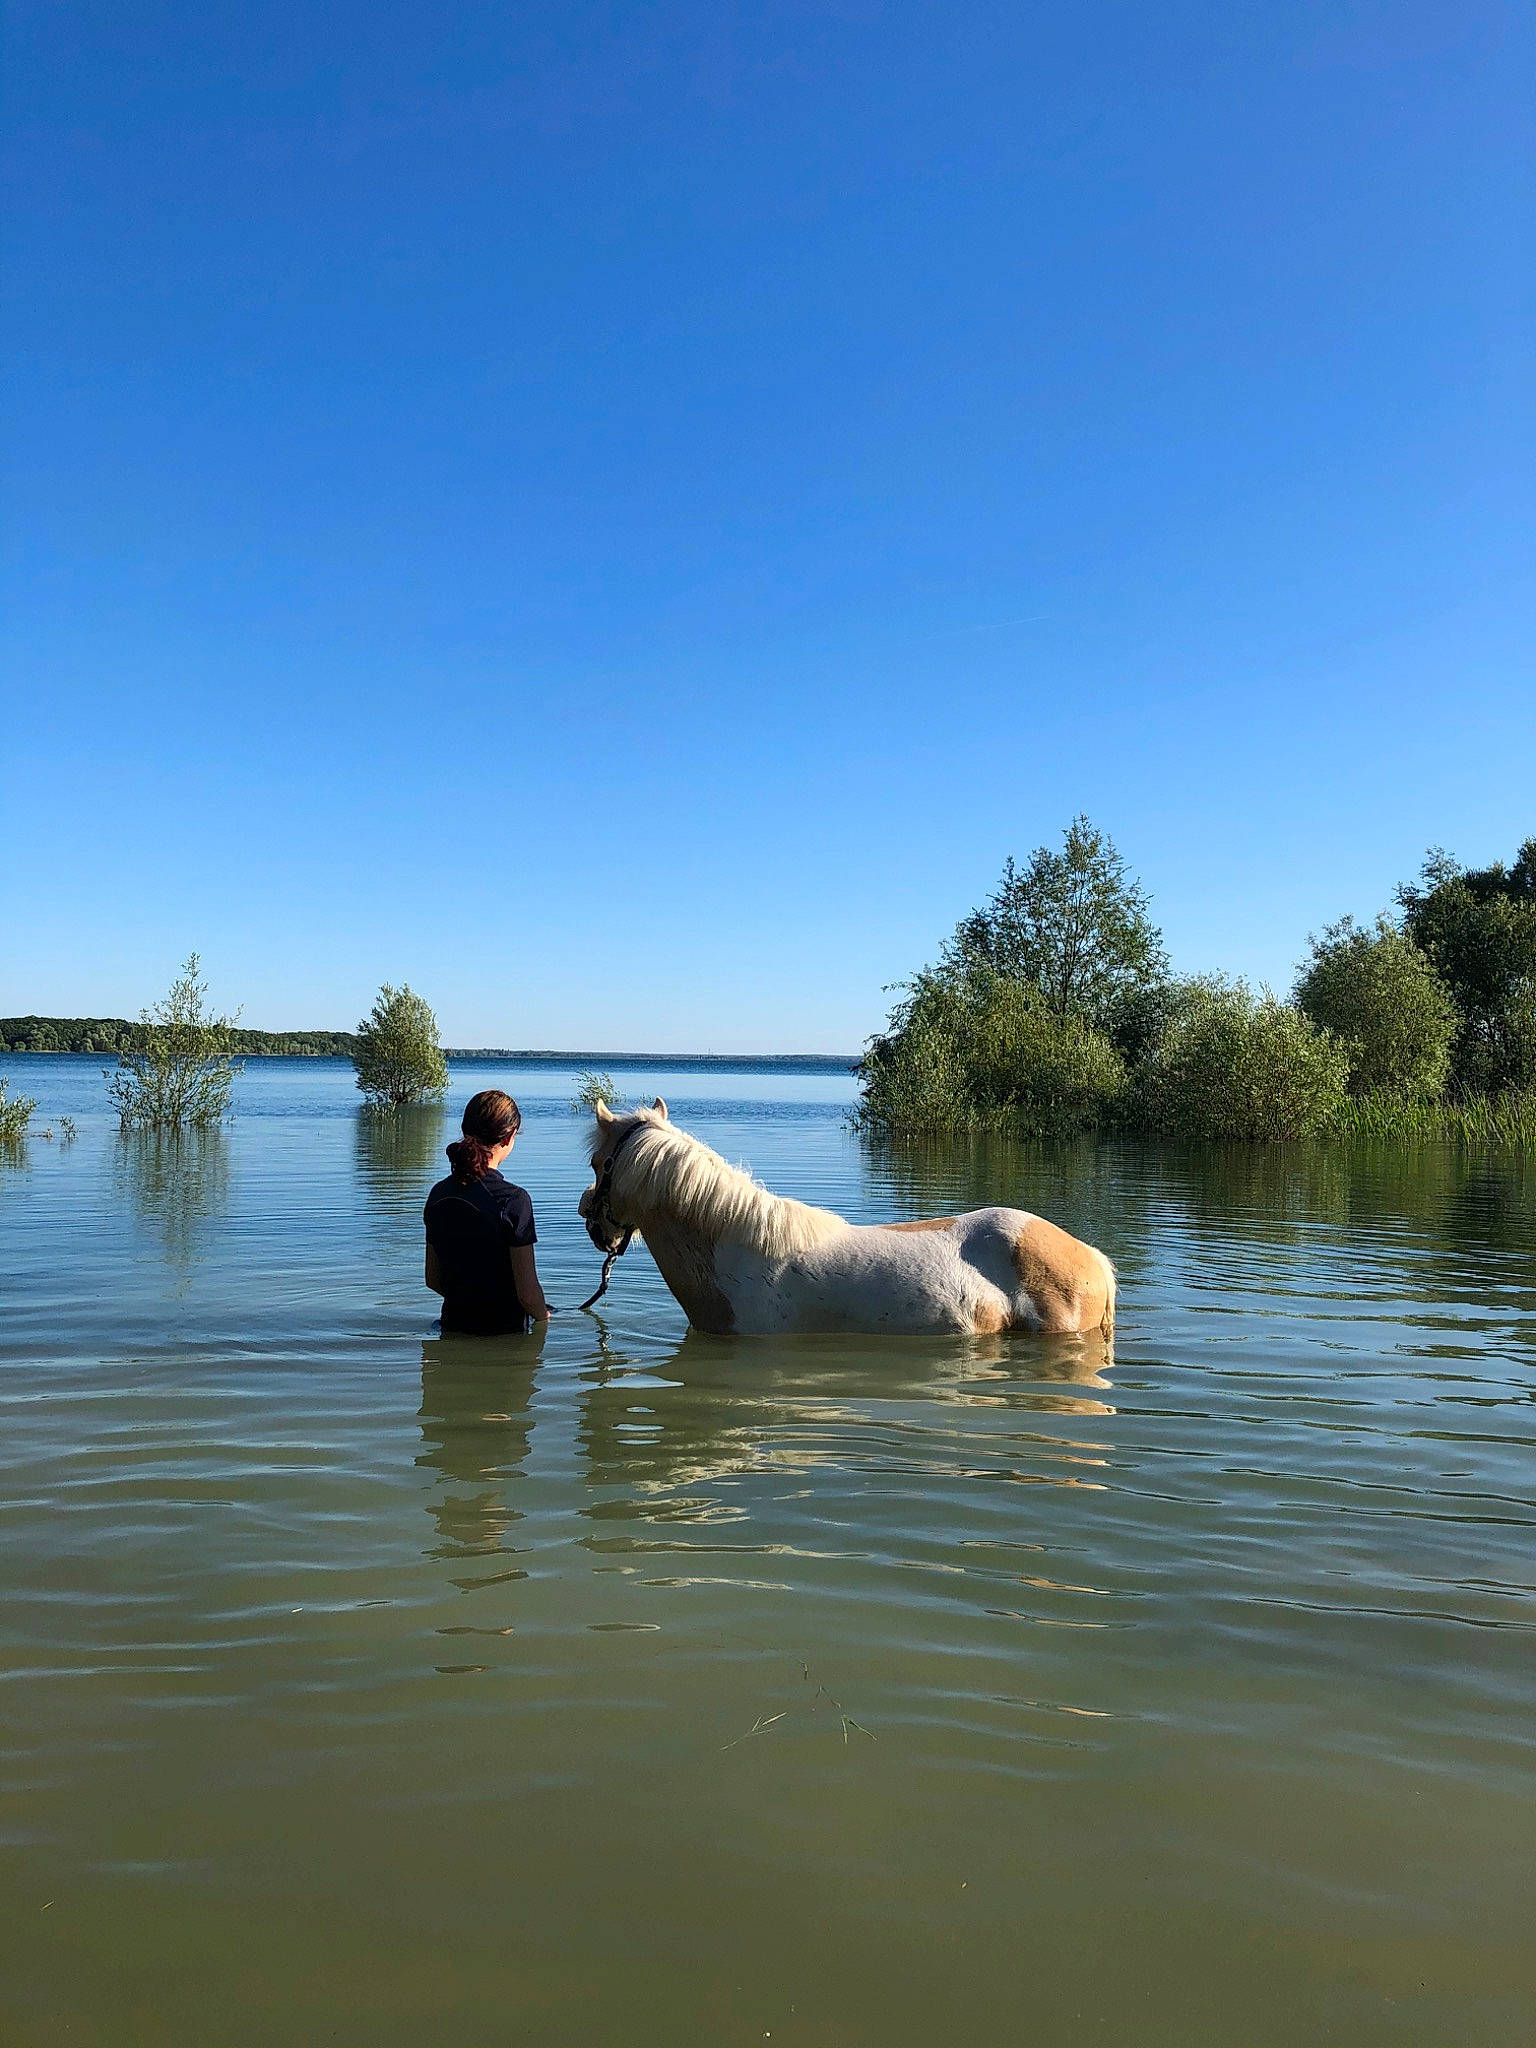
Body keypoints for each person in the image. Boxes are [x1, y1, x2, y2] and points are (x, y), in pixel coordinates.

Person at [424, 1090, 551, 1333]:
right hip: (506, 1339)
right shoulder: (514, 1201)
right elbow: (527, 1293)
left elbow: (433, 1279)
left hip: (452, 1330)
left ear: (464, 1131)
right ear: (509, 1138)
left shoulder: (438, 1195)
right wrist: (543, 1316)